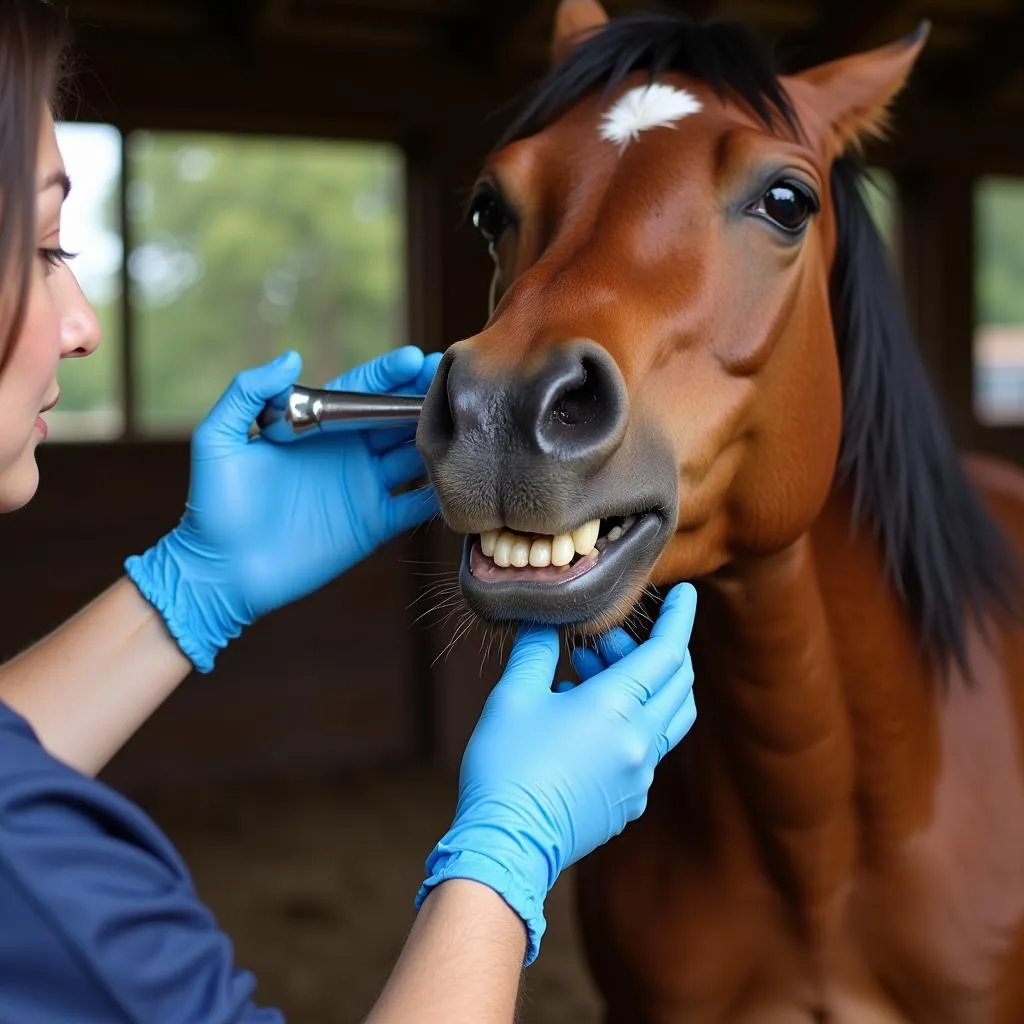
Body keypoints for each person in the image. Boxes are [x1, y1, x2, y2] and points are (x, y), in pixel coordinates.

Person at [0, 2, 699, 1022]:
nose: (84, 325)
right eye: (45, 246)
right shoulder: (54, 899)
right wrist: (507, 853)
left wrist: (187, 587)